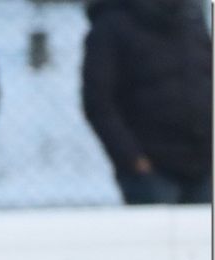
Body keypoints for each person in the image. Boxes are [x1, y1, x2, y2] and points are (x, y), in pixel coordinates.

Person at [81, 0, 214, 205]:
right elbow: (98, 102)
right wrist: (133, 159)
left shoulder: (190, 17)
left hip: (204, 164)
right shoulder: (112, 23)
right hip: (152, 171)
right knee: (157, 226)